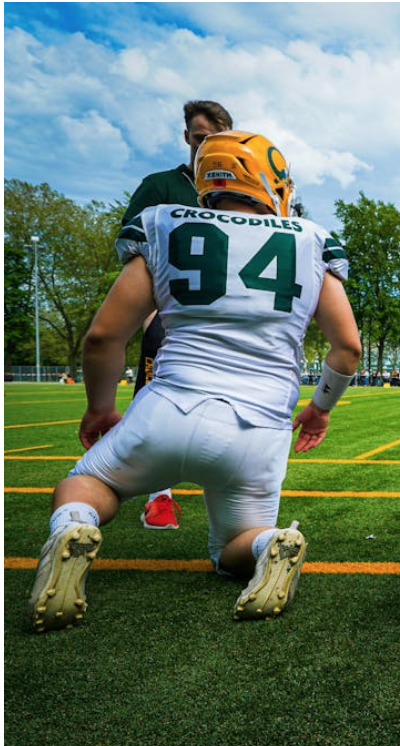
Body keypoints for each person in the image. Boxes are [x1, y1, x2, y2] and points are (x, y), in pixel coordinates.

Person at [28, 130, 361, 632]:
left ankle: (75, 527)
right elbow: (348, 348)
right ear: (274, 183)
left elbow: (102, 337)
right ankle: (267, 545)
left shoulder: (164, 224)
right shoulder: (311, 240)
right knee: (233, 546)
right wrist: (321, 406)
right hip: (260, 427)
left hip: (168, 407)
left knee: (88, 483)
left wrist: (99, 407)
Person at [120, 100, 235, 531]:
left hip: (224, 316)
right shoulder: (161, 186)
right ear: (187, 136)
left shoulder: (239, 190)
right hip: (169, 313)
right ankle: (159, 495)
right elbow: (133, 250)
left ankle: (230, 497)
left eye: (217, 139)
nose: (207, 146)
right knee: (156, 396)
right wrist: (150, 309)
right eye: (201, 136)